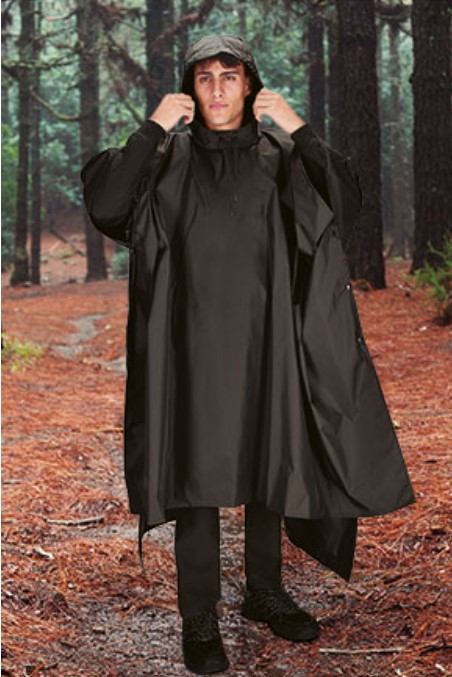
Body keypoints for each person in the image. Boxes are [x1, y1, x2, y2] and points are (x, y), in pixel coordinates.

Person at [81, 34, 415, 675]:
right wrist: (152, 128)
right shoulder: (166, 158)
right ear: (189, 88)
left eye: (229, 76)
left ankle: (265, 591)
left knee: (272, 457)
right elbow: (108, 204)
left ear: (250, 85)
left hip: (270, 339)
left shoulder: (280, 157)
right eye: (204, 77)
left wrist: (300, 128)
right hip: (190, 346)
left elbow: (344, 205)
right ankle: (199, 614)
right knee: (195, 473)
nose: (217, 88)